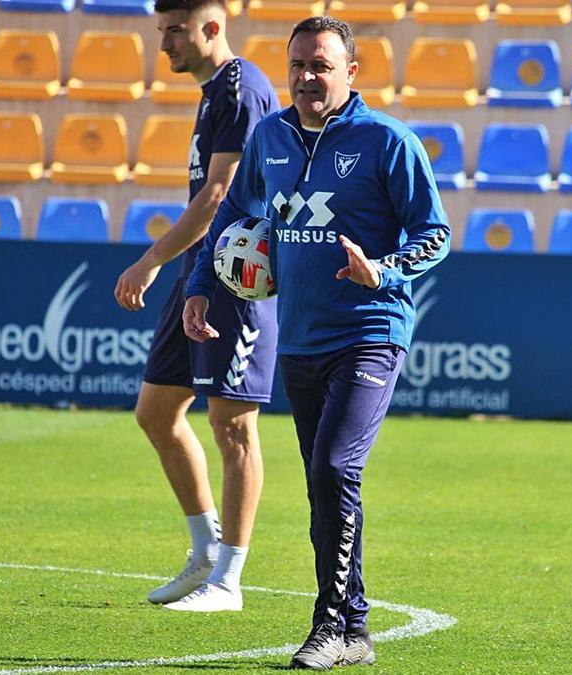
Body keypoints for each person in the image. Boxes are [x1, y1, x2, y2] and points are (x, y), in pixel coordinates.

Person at [181, 16, 450, 669]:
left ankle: (330, 624)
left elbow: (434, 233)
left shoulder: (387, 141)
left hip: (370, 329)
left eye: (321, 66)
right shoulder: (269, 137)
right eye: (297, 65)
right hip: (299, 335)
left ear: (350, 72)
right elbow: (235, 216)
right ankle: (355, 626)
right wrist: (200, 283)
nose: (305, 78)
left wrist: (382, 270)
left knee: (335, 467)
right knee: (324, 481)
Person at [113, 0, 279, 612]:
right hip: (198, 274)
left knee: (232, 424)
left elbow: (218, 197)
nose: (164, 45)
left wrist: (149, 260)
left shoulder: (241, 89)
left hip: (235, 277)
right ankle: (206, 551)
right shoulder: (214, 91)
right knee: (157, 413)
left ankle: (229, 581)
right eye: (161, 31)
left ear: (213, 28)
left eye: (175, 31)